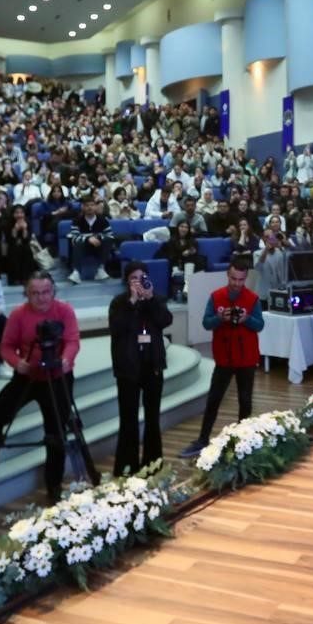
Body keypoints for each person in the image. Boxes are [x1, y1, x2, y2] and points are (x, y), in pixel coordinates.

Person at [0, 272, 81, 503]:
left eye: (46, 292)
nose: (41, 298)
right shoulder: (19, 314)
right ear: (26, 294)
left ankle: (54, 485)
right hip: (27, 376)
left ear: (53, 291)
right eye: (35, 293)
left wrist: (67, 359)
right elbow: (6, 346)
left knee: (57, 433)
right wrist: (15, 363)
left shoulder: (64, 310)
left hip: (57, 376)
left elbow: (72, 340)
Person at [179, 263, 264, 457]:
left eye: (241, 280)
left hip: (246, 357)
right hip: (224, 357)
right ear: (228, 275)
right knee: (213, 399)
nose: (236, 283)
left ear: (245, 278)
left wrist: (247, 319)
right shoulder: (216, 296)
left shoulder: (252, 299)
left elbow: (259, 325)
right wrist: (218, 317)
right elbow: (206, 323)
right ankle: (202, 439)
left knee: (245, 400)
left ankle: (244, 439)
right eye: (233, 279)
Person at [107, 261, 172, 475]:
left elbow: (165, 320)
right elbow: (117, 328)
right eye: (134, 278)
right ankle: (127, 467)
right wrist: (132, 302)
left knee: (153, 419)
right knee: (129, 420)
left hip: (152, 366)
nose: (138, 282)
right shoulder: (119, 303)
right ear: (126, 281)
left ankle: (153, 465)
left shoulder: (156, 299)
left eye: (142, 277)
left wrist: (150, 299)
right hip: (128, 369)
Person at [66, 195, 115, 283]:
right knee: (77, 242)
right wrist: (88, 239)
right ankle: (76, 272)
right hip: (83, 248)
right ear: (83, 207)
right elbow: (74, 237)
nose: (89, 207)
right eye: (87, 205)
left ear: (95, 207)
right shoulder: (77, 220)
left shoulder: (103, 220)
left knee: (108, 240)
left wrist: (98, 237)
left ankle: (101, 269)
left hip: (98, 246)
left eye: (92, 205)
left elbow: (110, 235)